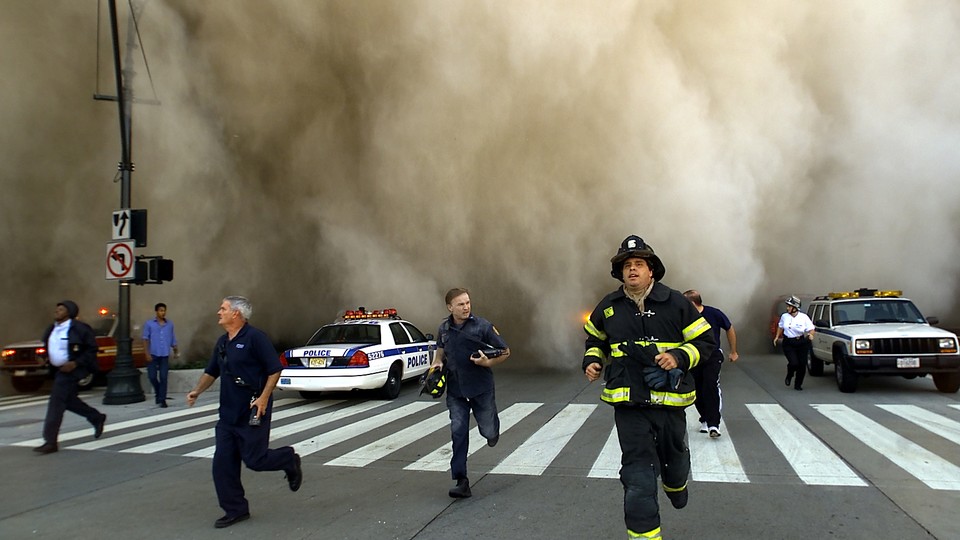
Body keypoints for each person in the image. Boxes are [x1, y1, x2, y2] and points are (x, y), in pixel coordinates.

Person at [582, 236, 715, 540]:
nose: (632, 270)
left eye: (639, 264)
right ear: (620, 273)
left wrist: (678, 357)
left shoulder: (676, 303)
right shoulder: (609, 306)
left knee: (675, 459)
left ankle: (676, 484)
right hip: (629, 403)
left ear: (651, 270)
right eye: (627, 265)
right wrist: (592, 361)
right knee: (637, 475)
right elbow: (595, 340)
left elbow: (705, 342)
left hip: (670, 401)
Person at [186, 296, 302, 528]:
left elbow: (274, 369)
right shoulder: (222, 342)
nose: (219, 312)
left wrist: (264, 398)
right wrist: (196, 391)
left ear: (236, 314)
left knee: (255, 460)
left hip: (252, 409)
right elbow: (211, 371)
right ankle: (235, 509)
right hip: (227, 415)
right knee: (223, 465)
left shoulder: (255, 338)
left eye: (223, 308)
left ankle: (288, 459)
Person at [429, 287, 510, 499]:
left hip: (480, 388)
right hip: (456, 391)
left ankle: (492, 432)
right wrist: (436, 366)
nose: (466, 307)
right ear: (450, 307)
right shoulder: (444, 329)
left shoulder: (482, 326)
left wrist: (488, 361)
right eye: (460, 304)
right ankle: (461, 480)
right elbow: (439, 355)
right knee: (458, 432)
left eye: (467, 303)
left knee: (488, 430)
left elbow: (505, 351)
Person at [34, 300, 107, 454]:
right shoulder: (51, 329)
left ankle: (50, 441)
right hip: (58, 370)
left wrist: (75, 363)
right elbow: (47, 347)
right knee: (69, 401)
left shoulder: (79, 329)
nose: (57, 311)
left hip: (72, 371)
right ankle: (96, 417)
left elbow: (92, 349)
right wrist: (45, 358)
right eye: (57, 308)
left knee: (56, 403)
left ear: (70, 312)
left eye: (61, 309)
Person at [682, 290, 739, 438]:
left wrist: (733, 351)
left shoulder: (714, 313)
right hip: (693, 356)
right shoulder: (684, 316)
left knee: (710, 385)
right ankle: (705, 418)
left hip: (712, 355)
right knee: (697, 390)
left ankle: (714, 424)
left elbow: (729, 328)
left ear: (692, 303)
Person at [773, 295, 815, 391]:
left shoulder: (803, 317)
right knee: (794, 363)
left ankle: (798, 384)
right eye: (787, 306)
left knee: (802, 365)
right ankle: (790, 374)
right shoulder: (784, 316)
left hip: (801, 342)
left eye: (789, 306)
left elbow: (811, 329)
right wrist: (776, 336)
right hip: (788, 342)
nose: (787, 308)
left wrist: (811, 335)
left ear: (795, 307)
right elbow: (780, 326)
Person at [142, 302, 179, 408]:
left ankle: (162, 399)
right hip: (153, 354)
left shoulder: (169, 324)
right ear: (156, 311)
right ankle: (159, 393)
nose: (163, 313)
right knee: (152, 376)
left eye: (164, 310)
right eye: (161, 310)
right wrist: (146, 353)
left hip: (164, 355)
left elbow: (173, 338)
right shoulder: (149, 324)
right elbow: (145, 339)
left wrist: (176, 351)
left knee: (164, 377)